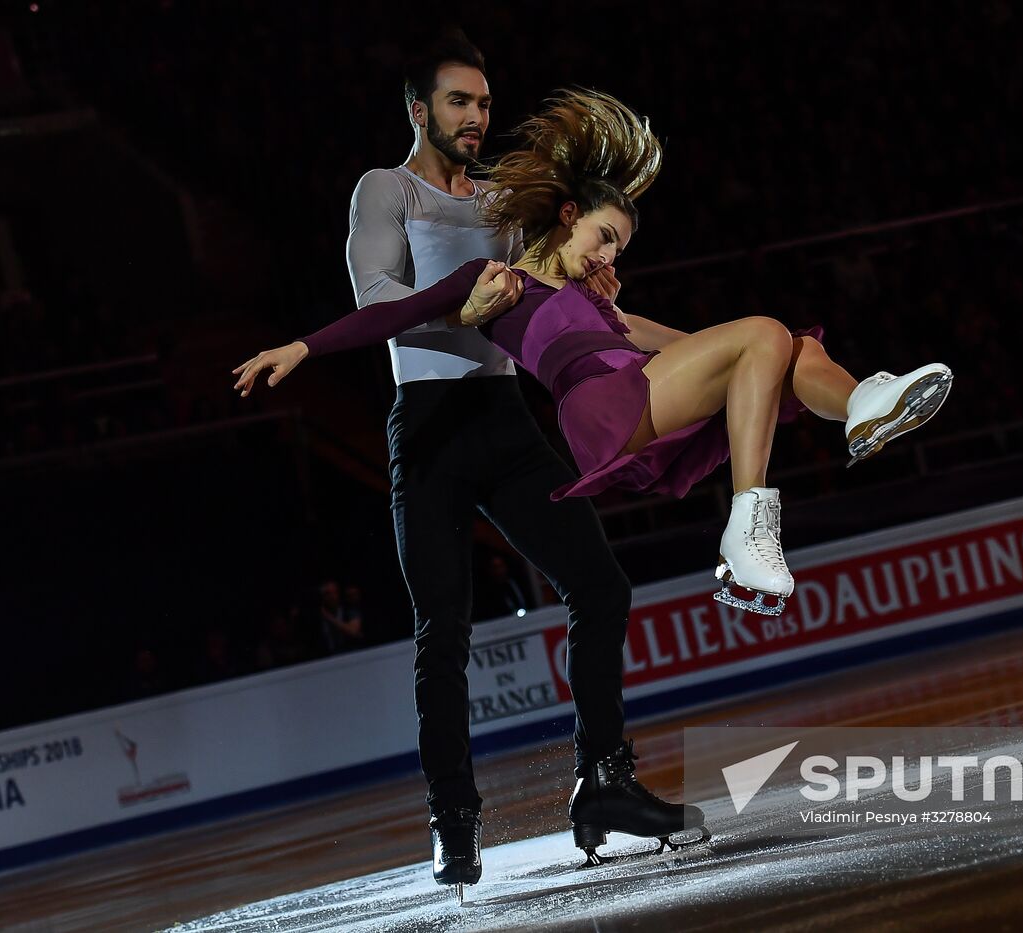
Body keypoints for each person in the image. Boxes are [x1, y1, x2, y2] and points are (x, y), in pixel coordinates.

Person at [232, 39, 701, 895]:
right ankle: (454, 818)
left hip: (504, 419)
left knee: (601, 586)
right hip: (431, 427)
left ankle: (604, 780)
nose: (477, 116)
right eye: (458, 102)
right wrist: (466, 309)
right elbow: (379, 307)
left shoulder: (506, 199)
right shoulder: (388, 189)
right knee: (441, 629)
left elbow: (550, 290)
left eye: (484, 102)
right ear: (419, 110)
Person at [236, 89, 954, 617]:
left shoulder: (606, 305)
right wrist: (302, 345)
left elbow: (695, 351)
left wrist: (767, 363)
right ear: (570, 216)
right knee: (764, 332)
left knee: (785, 343)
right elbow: (392, 311)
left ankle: (866, 402)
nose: (610, 254)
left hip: (643, 392)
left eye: (621, 248)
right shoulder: (500, 283)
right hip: (601, 410)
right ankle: (749, 521)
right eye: (606, 237)